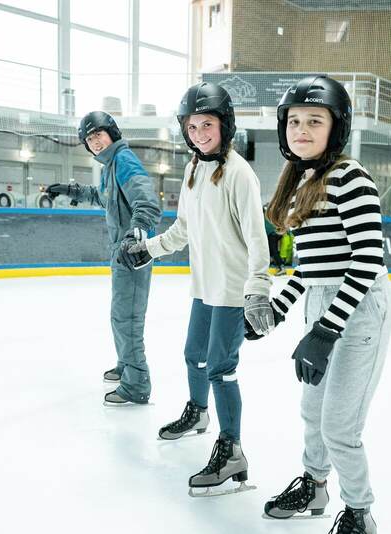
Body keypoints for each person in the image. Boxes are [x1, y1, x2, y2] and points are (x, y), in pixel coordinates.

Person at [247, 75, 391, 533]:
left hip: (361, 304)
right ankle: (314, 485)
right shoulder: (299, 182)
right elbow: (310, 269)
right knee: (312, 412)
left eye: (315, 120)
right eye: (294, 121)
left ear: (337, 128)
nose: (302, 130)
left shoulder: (351, 178)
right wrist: (276, 310)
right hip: (322, 303)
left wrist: (326, 331)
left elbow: (368, 260)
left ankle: (358, 512)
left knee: (339, 427)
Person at [121, 82, 272, 496]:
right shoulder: (191, 170)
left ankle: (232, 451)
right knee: (194, 356)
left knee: (222, 368)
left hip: (232, 292)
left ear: (225, 126)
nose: (199, 133)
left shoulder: (241, 175)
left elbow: (259, 241)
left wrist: (259, 290)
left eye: (207, 124)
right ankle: (199, 413)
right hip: (205, 288)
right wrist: (149, 248)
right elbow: (183, 229)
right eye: (192, 126)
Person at [43, 111, 161, 406]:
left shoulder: (123, 159)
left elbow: (146, 200)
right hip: (121, 252)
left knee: (127, 317)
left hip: (131, 251)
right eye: (89, 139)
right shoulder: (111, 165)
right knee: (120, 314)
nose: (95, 142)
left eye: (98, 135)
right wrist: (73, 190)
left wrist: (136, 234)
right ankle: (126, 364)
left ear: (112, 133)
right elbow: (103, 197)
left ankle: (137, 383)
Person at [264, 204, 287, 275]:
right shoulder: (274, 213)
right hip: (277, 233)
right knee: (273, 250)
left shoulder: (266, 214)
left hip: (273, 234)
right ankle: (276, 263)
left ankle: (281, 266)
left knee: (274, 250)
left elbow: (267, 227)